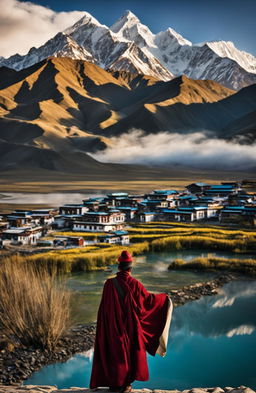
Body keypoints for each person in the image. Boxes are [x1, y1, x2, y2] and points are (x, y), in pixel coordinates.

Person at [90, 250, 173, 393]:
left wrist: (105, 329)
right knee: (128, 354)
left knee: (113, 353)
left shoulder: (109, 284)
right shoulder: (135, 284)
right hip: (130, 329)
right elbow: (148, 302)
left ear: (119, 267)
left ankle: (114, 385)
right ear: (131, 268)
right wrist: (164, 299)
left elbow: (103, 311)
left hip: (112, 328)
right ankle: (126, 385)